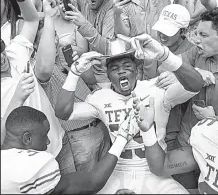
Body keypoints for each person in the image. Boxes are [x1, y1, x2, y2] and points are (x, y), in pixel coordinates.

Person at [129, 7, 218, 187]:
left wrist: (214, 120)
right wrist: (194, 73)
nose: (197, 41)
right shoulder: (198, 53)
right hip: (185, 146)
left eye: (203, 35)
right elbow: (164, 68)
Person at [55, 38, 204, 193]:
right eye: (114, 68)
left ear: (136, 69)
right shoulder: (100, 97)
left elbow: (195, 85)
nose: (121, 71)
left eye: (127, 66)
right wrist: (74, 73)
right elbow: (63, 113)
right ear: (108, 75)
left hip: (154, 170)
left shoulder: (156, 88)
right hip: (118, 170)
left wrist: (166, 56)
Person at [34, 0, 111, 173]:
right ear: (37, 46)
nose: (54, 40)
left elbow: (91, 81)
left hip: (97, 127)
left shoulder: (67, 55)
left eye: (54, 36)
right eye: (47, 37)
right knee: (84, 185)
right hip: (77, 137)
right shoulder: (40, 69)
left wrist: (77, 70)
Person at [1, 104, 141, 194]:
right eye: (45, 135)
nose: (48, 141)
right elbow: (92, 182)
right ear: (27, 138)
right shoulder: (35, 165)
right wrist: (123, 137)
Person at [1, 0, 64, 165]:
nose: (1, 57)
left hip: (59, 144)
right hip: (30, 166)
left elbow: (31, 20)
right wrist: (17, 99)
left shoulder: (15, 52)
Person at [114, 0, 191, 79]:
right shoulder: (124, 1)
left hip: (169, 58)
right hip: (144, 63)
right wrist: (116, 14)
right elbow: (123, 34)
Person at [151, 4, 194, 151]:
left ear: (184, 31)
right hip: (150, 122)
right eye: (160, 30)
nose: (162, 35)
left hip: (176, 127)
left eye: (168, 31)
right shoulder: (153, 47)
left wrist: (180, 76)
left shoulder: (194, 52)